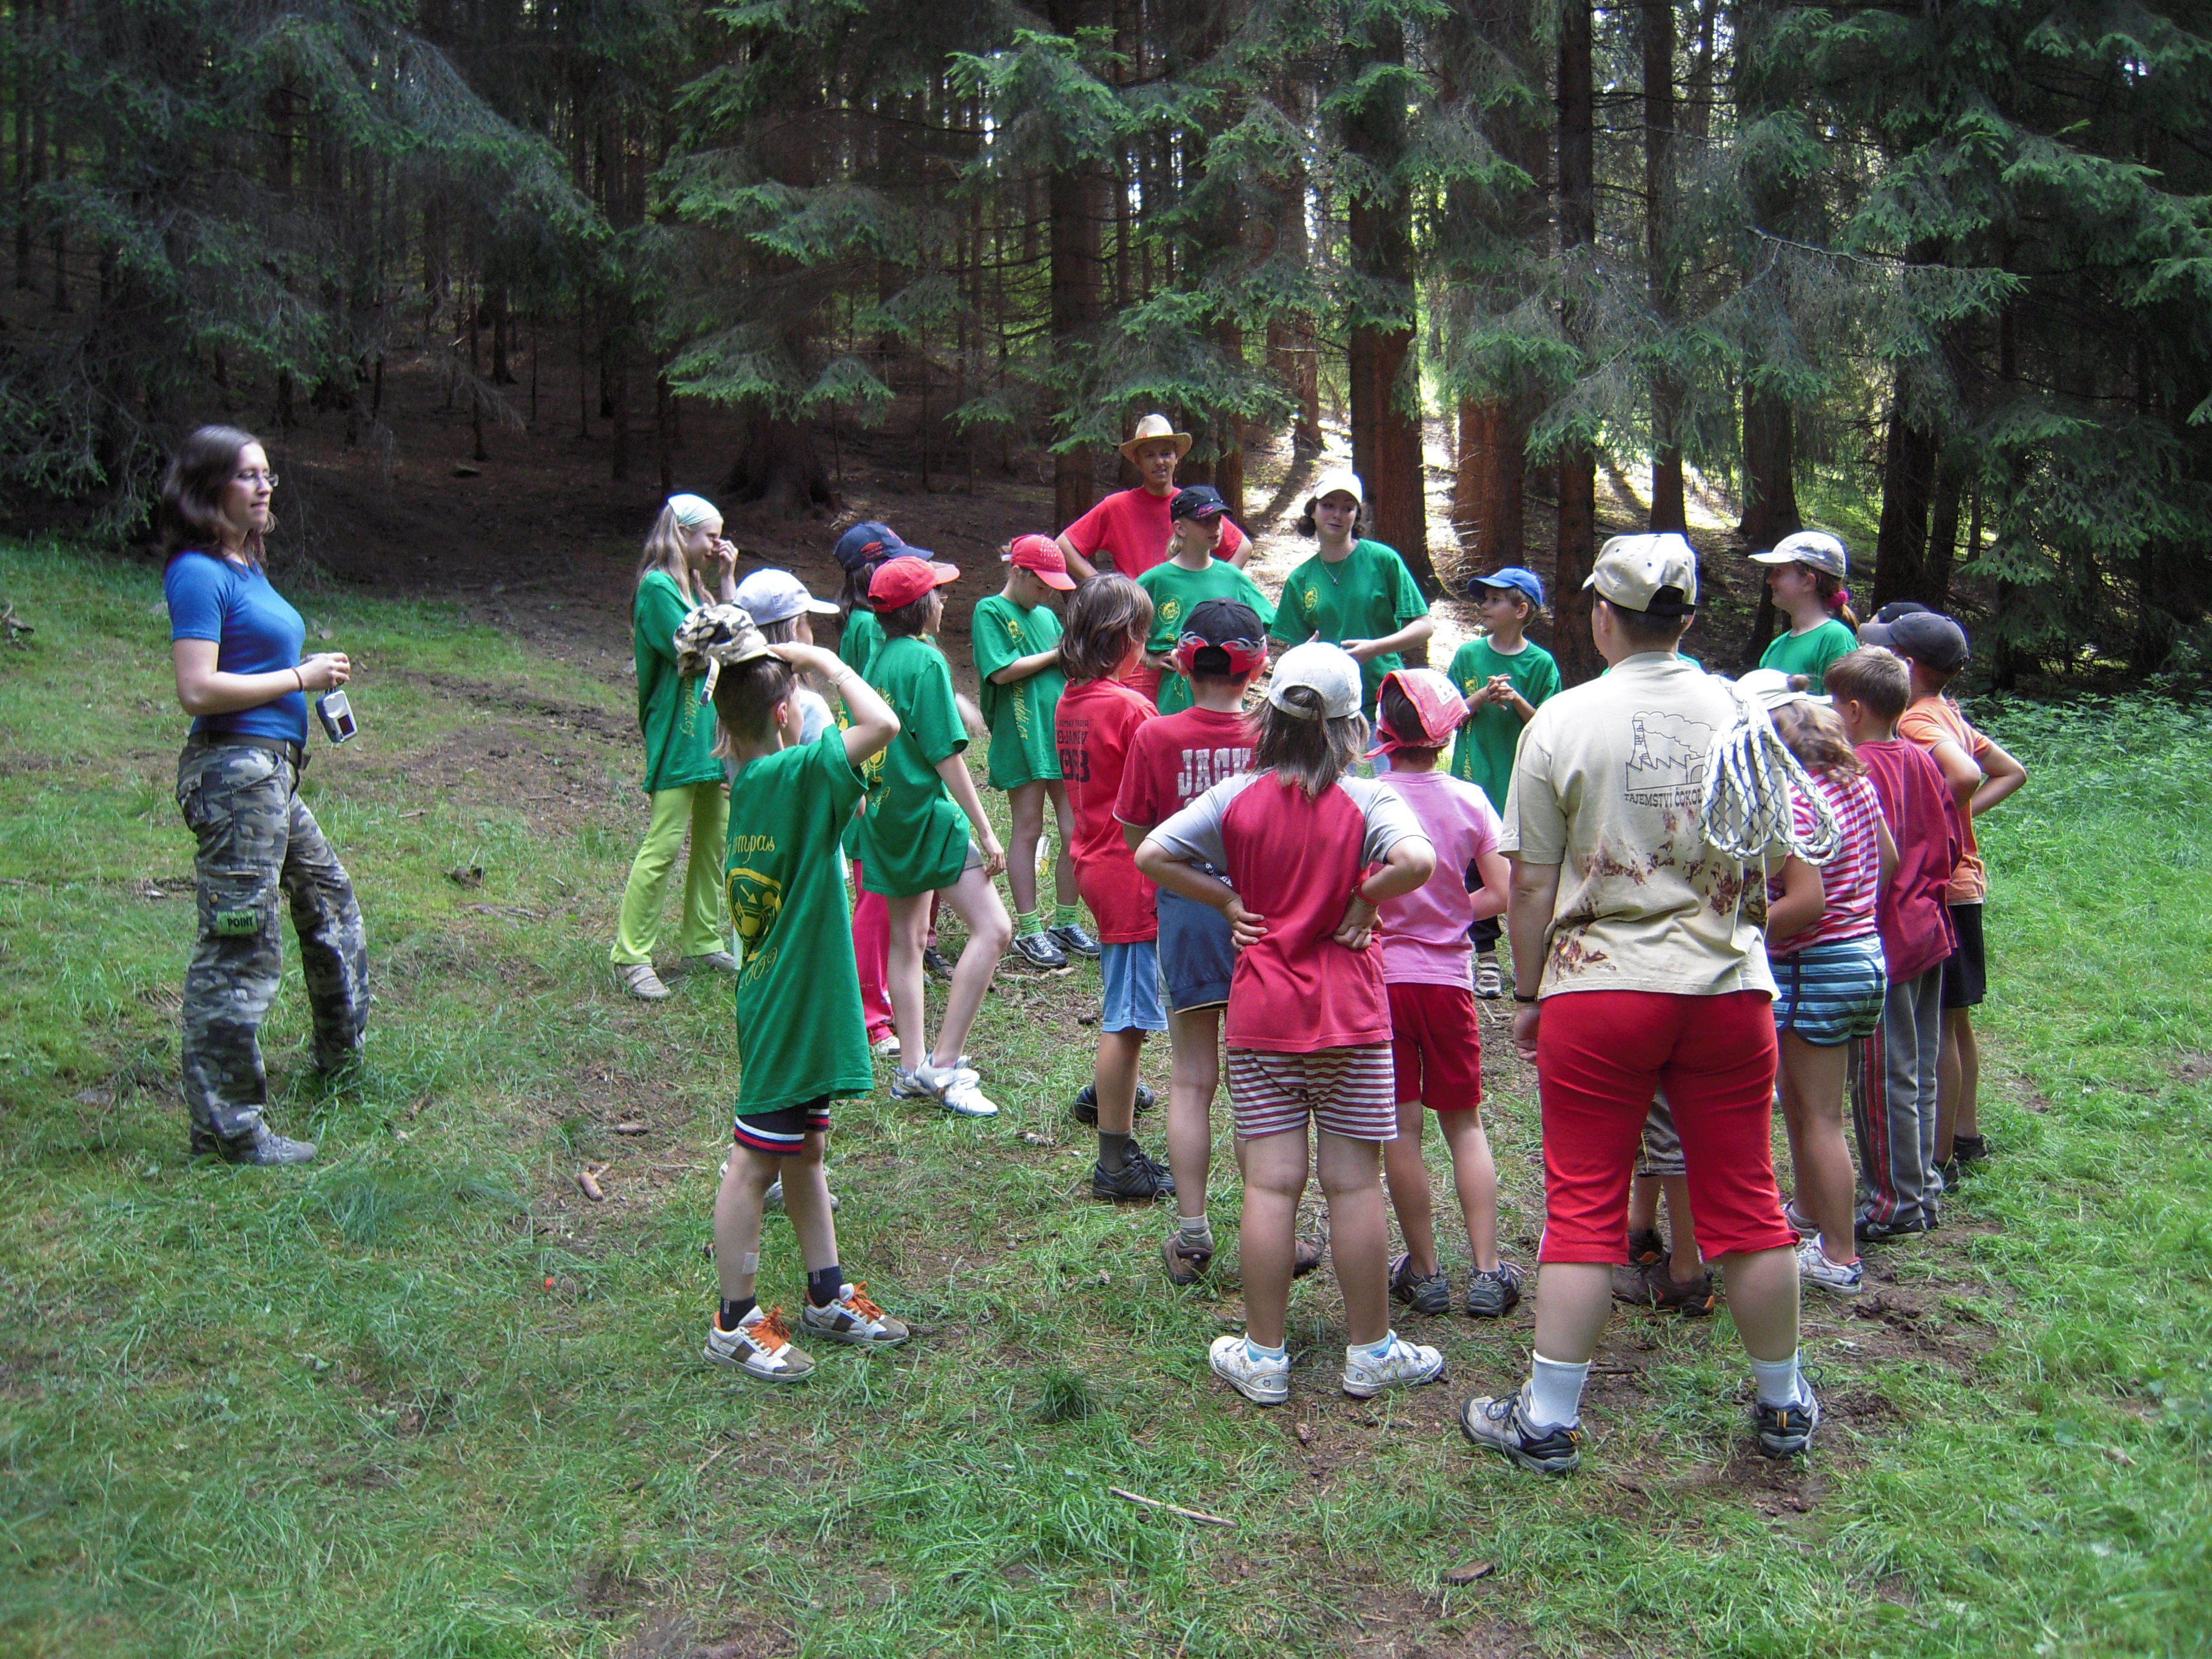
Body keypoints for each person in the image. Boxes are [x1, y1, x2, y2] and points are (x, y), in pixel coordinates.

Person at [1458, 533, 1822, 1475]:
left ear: (1601, 617)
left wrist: (1528, 992)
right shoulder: (1742, 713)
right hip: (1727, 989)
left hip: (1598, 987)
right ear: (1688, 618)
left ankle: (1547, 1420)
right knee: (1749, 1195)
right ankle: (1783, 1404)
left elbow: (1530, 886)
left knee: (1584, 1199)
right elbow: (1777, 864)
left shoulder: (1562, 720)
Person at [1137, 642, 1447, 1407]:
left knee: (1271, 1188)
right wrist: (1367, 898)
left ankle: (1264, 1356)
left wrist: (1225, 901)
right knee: (1355, 1184)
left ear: (1268, 718)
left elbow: (1152, 852)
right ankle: (1370, 1352)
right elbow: (1418, 861)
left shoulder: (1235, 797)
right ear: (1353, 729)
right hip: (1352, 1023)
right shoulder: (1370, 799)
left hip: (1262, 1020)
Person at [683, 604, 913, 1381]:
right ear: (785, 714)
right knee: (754, 1162)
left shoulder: (753, 782)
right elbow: (883, 725)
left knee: (805, 1151)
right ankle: (734, 1320)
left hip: (790, 999)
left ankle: (826, 1293)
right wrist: (828, 666)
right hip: (789, 1007)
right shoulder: (795, 774)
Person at [163, 424, 367, 1165]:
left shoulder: (245, 567)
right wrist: (299, 678)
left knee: (329, 899)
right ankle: (227, 1130)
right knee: (239, 942)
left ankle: (341, 1062)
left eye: (268, 474)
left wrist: (306, 681)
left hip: (271, 774)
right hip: (235, 775)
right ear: (208, 486)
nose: (264, 486)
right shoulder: (198, 572)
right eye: (247, 475)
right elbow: (197, 689)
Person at [1116, 600, 1267, 1281]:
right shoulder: (1273, 734)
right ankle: (1270, 1224)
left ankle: (1193, 1231)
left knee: (1191, 1076)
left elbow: (1138, 837)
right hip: (1265, 920)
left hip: (1188, 918)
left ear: (1182, 662)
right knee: (1259, 1082)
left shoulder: (1156, 735)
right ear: (1256, 666)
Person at [1367, 669, 1518, 1318]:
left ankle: (1424, 1272)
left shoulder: (1367, 798)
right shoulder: (1470, 799)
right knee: (1464, 1123)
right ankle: (1487, 1270)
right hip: (1448, 983)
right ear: (1449, 734)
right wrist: (1452, 915)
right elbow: (1501, 893)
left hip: (1383, 984)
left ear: (1384, 731)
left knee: (1400, 1128)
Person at [850, 555, 1013, 1118]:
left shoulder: (878, 658)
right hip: (926, 819)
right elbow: (946, 755)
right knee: (995, 929)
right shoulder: (925, 660)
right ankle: (943, 1066)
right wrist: (987, 831)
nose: (944, 602)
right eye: (938, 595)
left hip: (886, 820)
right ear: (920, 607)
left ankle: (910, 1070)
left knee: (908, 940)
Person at [1870, 609, 2026, 1187]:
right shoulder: (1945, 711)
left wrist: (1937, 819)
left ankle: (1940, 1159)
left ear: (1906, 665)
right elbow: (2011, 772)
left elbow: (1965, 775)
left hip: (1944, 886)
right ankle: (1965, 1134)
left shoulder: (1916, 720)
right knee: (1956, 1021)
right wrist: (1959, 817)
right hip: (1965, 884)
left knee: (1938, 1024)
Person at [1752, 684, 1896, 1298]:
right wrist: (1853, 911)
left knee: (1820, 1117)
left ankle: (1839, 1256)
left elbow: (1803, 905)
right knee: (1806, 1103)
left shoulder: (1795, 801)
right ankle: (1809, 1212)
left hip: (1816, 968)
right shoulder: (1854, 784)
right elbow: (1888, 858)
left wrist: (1742, 926)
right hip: (1863, 956)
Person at [1826, 645, 1962, 1239]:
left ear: (1854, 710)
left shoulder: (1858, 770)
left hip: (1890, 942)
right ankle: (1921, 1185)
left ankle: (1896, 1204)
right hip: (1930, 928)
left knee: (1884, 1077)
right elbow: (1950, 839)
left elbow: (1863, 859)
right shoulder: (1920, 758)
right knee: (1919, 1067)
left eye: (1833, 704)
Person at [1054, 575, 1177, 1201]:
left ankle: (1109, 1091)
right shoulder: (1131, 709)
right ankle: (1116, 1162)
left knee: (1123, 999)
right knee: (1128, 1019)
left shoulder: (1071, 698)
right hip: (1130, 873)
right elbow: (1165, 788)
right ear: (1126, 637)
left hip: (1094, 863)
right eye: (1144, 635)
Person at [611, 493, 739, 1001]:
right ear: (682, 534)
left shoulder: (695, 591)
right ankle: (631, 955)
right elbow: (701, 646)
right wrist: (726, 624)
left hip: (709, 738)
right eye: (711, 536)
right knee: (664, 843)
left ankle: (702, 941)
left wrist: (727, 583)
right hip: (677, 736)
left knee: (713, 841)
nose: (717, 545)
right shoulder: (658, 588)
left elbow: (731, 640)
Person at [973, 535, 1087, 973]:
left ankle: (1066, 920)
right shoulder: (990, 611)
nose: (1047, 596)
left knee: (1074, 827)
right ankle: (1028, 927)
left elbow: (1066, 664)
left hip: (1061, 731)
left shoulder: (1046, 616)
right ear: (1017, 573)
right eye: (1041, 586)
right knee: (1029, 827)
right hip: (1021, 734)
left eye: (1053, 589)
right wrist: (1057, 653)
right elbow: (1000, 671)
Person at [1446, 566, 1560, 998]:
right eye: (1485, 598)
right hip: (1472, 783)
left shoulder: (1540, 664)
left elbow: (1550, 728)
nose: (1485, 606)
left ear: (1521, 609)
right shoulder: (1468, 656)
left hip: (1521, 787)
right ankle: (1487, 957)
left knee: (1523, 873)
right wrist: (1481, 697)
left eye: (1495, 600)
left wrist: (1516, 701)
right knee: (1475, 872)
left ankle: (1531, 954)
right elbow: (1445, 717)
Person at [1267, 468, 1432, 728]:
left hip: (1382, 700)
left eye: (1348, 508)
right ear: (1312, 511)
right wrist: (1305, 654)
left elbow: (1424, 627)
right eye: (1328, 505)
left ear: (1357, 516)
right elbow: (1296, 650)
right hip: (1327, 707)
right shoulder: (1301, 579)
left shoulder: (1382, 560)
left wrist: (1375, 648)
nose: (1338, 514)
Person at [1055, 412, 1251, 586]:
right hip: (1135, 610)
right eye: (1149, 455)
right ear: (1137, 461)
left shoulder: (1191, 505)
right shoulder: (1116, 506)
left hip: (1184, 608)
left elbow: (1242, 547)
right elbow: (1064, 546)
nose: (1159, 462)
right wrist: (1107, 591)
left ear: (1177, 457)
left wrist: (1214, 586)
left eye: (1166, 454)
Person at [1136, 486, 1275, 714]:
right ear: (1180, 528)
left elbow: (1268, 625)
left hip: (1227, 695)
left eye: (1218, 520)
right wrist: (1147, 659)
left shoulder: (1233, 578)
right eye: (1204, 521)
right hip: (1176, 697)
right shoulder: (1156, 580)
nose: (1215, 528)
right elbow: (1119, 627)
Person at [734, 568, 843, 742]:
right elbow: (882, 725)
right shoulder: (808, 709)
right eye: (806, 620)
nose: (811, 631)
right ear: (794, 631)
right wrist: (829, 662)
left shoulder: (727, 697)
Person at [1751, 529, 1860, 693]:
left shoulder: (1835, 638)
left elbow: (1843, 706)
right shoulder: (1776, 646)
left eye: (1779, 571)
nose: (1769, 579)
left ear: (1808, 582)